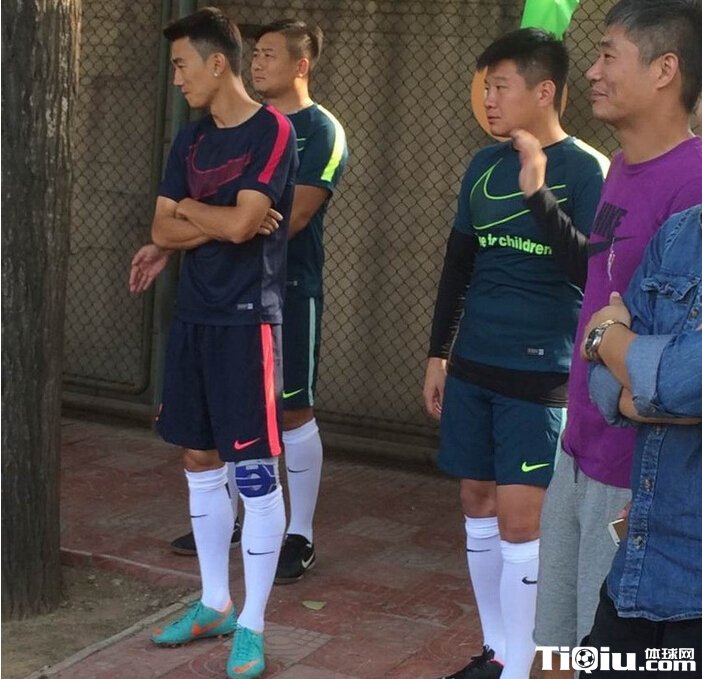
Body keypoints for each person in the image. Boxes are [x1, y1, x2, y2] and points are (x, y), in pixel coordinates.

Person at [422, 28, 607, 679]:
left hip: (542, 373)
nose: (489, 100)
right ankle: (499, 651)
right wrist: (437, 354)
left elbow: (591, 272)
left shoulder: (586, 169)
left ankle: (527, 664)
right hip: (474, 364)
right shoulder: (481, 164)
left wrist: (537, 192)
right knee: (476, 500)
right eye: (485, 88)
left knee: (522, 520)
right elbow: (458, 264)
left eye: (500, 87)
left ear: (544, 90)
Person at [534, 3, 702, 676]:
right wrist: (612, 353)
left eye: (609, 55)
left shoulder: (693, 187)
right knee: (553, 652)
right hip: (577, 449)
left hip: (635, 482)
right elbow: (605, 310)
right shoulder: (622, 167)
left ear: (665, 70)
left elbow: (678, 381)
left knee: (601, 660)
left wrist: (616, 355)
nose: (592, 71)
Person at [130, 8, 297, 679]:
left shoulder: (273, 129)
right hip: (193, 317)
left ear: (217, 62)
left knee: (253, 471)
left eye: (182, 65)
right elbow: (165, 229)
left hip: (248, 323)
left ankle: (252, 625)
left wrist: (197, 216)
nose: (176, 79)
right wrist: (221, 218)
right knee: (198, 457)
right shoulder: (190, 139)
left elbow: (240, 226)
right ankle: (213, 602)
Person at [158, 19, 348, 583]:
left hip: (287, 289)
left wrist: (201, 214)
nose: (258, 62)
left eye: (269, 54)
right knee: (228, 425)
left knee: (290, 409)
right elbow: (212, 222)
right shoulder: (211, 132)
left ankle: (299, 533)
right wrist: (222, 221)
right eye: (256, 52)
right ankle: (234, 523)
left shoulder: (317, 130)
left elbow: (291, 218)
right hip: (223, 296)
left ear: (301, 65)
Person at [580, 203, 702, 676]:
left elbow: (678, 381)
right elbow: (602, 385)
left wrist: (606, 334)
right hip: (639, 572)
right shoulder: (677, 232)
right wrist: (652, 385)